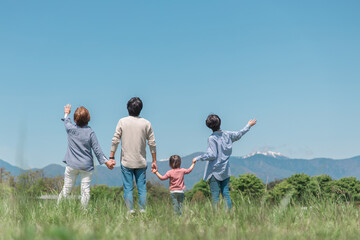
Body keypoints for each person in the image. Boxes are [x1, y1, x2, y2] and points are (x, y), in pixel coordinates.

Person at [193, 114, 257, 210]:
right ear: (220, 122)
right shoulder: (227, 134)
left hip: (214, 171)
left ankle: (216, 216)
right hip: (226, 170)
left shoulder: (212, 138)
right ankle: (229, 214)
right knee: (226, 193)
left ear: (209, 126)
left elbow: (212, 155)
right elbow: (239, 134)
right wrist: (248, 125)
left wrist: (198, 158)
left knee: (215, 196)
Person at [57, 104, 115, 208]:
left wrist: (66, 112)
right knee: (85, 191)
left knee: (66, 189)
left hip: (72, 165)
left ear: (75, 119)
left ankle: (58, 209)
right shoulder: (90, 133)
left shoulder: (71, 129)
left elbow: (66, 121)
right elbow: (97, 150)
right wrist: (107, 162)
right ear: (88, 119)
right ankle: (83, 212)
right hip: (86, 166)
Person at [110, 97, 157, 214]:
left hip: (126, 161)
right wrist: (154, 161)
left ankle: (130, 211)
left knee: (128, 188)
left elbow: (115, 140)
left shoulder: (122, 121)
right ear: (140, 109)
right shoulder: (146, 123)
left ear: (128, 108)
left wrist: (112, 156)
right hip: (141, 162)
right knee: (142, 189)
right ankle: (143, 211)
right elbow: (152, 143)